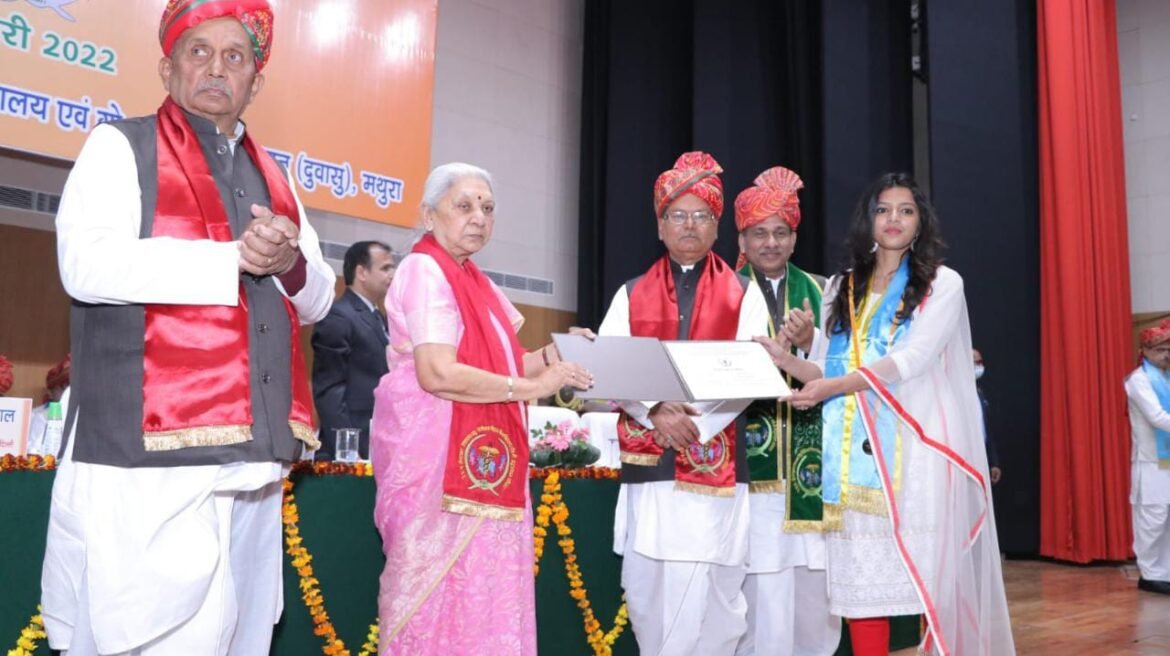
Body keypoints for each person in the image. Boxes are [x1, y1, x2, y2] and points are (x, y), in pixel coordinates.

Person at [41, 2, 335, 654]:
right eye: (198, 51)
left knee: (238, 633)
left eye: (235, 57)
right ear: (167, 68)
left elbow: (318, 298)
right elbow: (85, 265)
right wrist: (231, 260)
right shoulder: (120, 145)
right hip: (143, 455)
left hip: (254, 462)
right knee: (145, 632)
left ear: (256, 81)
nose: (216, 68)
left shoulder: (276, 178)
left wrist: (285, 262)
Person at [756, 173, 1013, 655]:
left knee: (927, 582)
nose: (893, 219)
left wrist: (833, 385)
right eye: (883, 209)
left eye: (905, 210)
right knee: (861, 587)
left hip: (914, 452)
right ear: (867, 219)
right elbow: (828, 368)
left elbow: (911, 360)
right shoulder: (841, 285)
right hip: (851, 459)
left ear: (920, 222)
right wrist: (787, 359)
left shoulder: (942, 284)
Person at [371, 162, 593, 655]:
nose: (478, 217)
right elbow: (438, 373)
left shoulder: (476, 281)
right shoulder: (424, 270)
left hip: (485, 459)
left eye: (488, 208)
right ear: (429, 215)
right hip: (433, 462)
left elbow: (507, 365)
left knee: (489, 590)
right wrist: (532, 386)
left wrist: (554, 355)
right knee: (433, 595)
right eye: (464, 205)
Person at [597, 151, 769, 656]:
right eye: (678, 215)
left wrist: (695, 425)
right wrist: (654, 410)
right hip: (651, 466)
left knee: (717, 589)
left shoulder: (744, 293)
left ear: (717, 226)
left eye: (700, 215)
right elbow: (608, 363)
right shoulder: (630, 294)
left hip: (716, 461)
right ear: (660, 225)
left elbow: (752, 372)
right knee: (648, 585)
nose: (689, 225)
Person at [732, 166, 840, 656]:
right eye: (759, 233)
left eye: (780, 232)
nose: (771, 243)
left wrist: (809, 339)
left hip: (813, 461)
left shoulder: (825, 290)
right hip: (750, 464)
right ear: (742, 239)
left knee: (815, 583)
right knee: (759, 580)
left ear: (795, 238)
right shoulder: (725, 290)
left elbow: (845, 367)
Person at [311, 240, 396, 460]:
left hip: (378, 441)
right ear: (361, 272)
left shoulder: (380, 317)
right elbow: (329, 389)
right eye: (385, 268)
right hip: (350, 448)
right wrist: (348, 450)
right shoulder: (339, 315)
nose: (392, 274)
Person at [1123, 318, 1170, 596]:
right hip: (1150, 462)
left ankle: (1166, 572)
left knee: (1168, 519)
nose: (1165, 355)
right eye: (1160, 349)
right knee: (1153, 518)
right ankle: (1151, 574)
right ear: (1145, 351)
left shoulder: (1167, 379)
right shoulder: (1138, 380)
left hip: (1169, 462)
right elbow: (1157, 417)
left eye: (1168, 350)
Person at [972, 349, 1002, 484]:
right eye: (976, 362)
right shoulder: (955, 393)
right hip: (965, 458)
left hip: (981, 458)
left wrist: (993, 462)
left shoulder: (980, 393)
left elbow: (987, 430)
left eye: (980, 362)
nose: (980, 366)